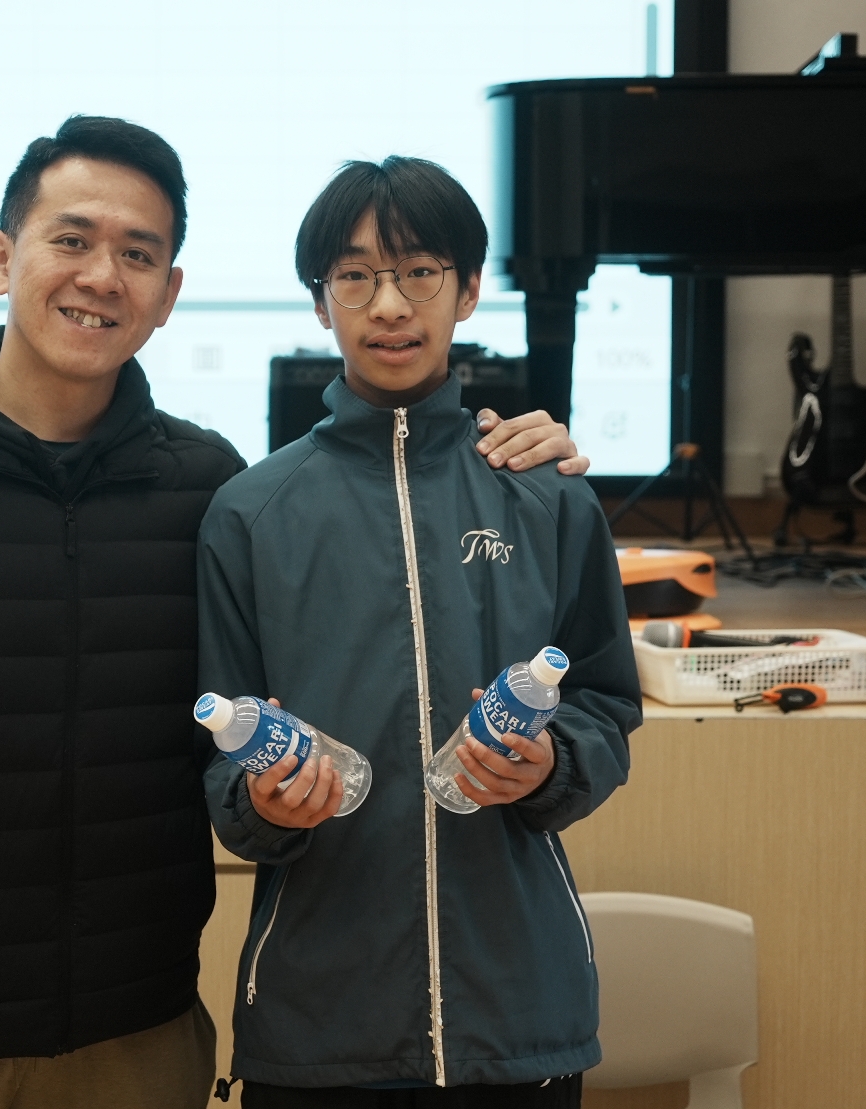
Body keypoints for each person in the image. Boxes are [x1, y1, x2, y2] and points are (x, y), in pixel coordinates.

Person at [0, 117, 591, 1109]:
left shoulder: (205, 487)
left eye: (137, 254)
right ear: (1, 258)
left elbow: (229, 740)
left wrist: (520, 451)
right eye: (71, 239)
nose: (101, 276)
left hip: (134, 1030)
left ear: (168, 293)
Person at [198, 157, 642, 1107]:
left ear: (469, 289)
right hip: (319, 1023)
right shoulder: (250, 512)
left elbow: (606, 703)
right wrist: (263, 802)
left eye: (420, 271)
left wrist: (551, 765)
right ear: (320, 302)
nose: (390, 304)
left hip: (518, 1016)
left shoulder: (548, 495)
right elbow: (216, 751)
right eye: (355, 276)